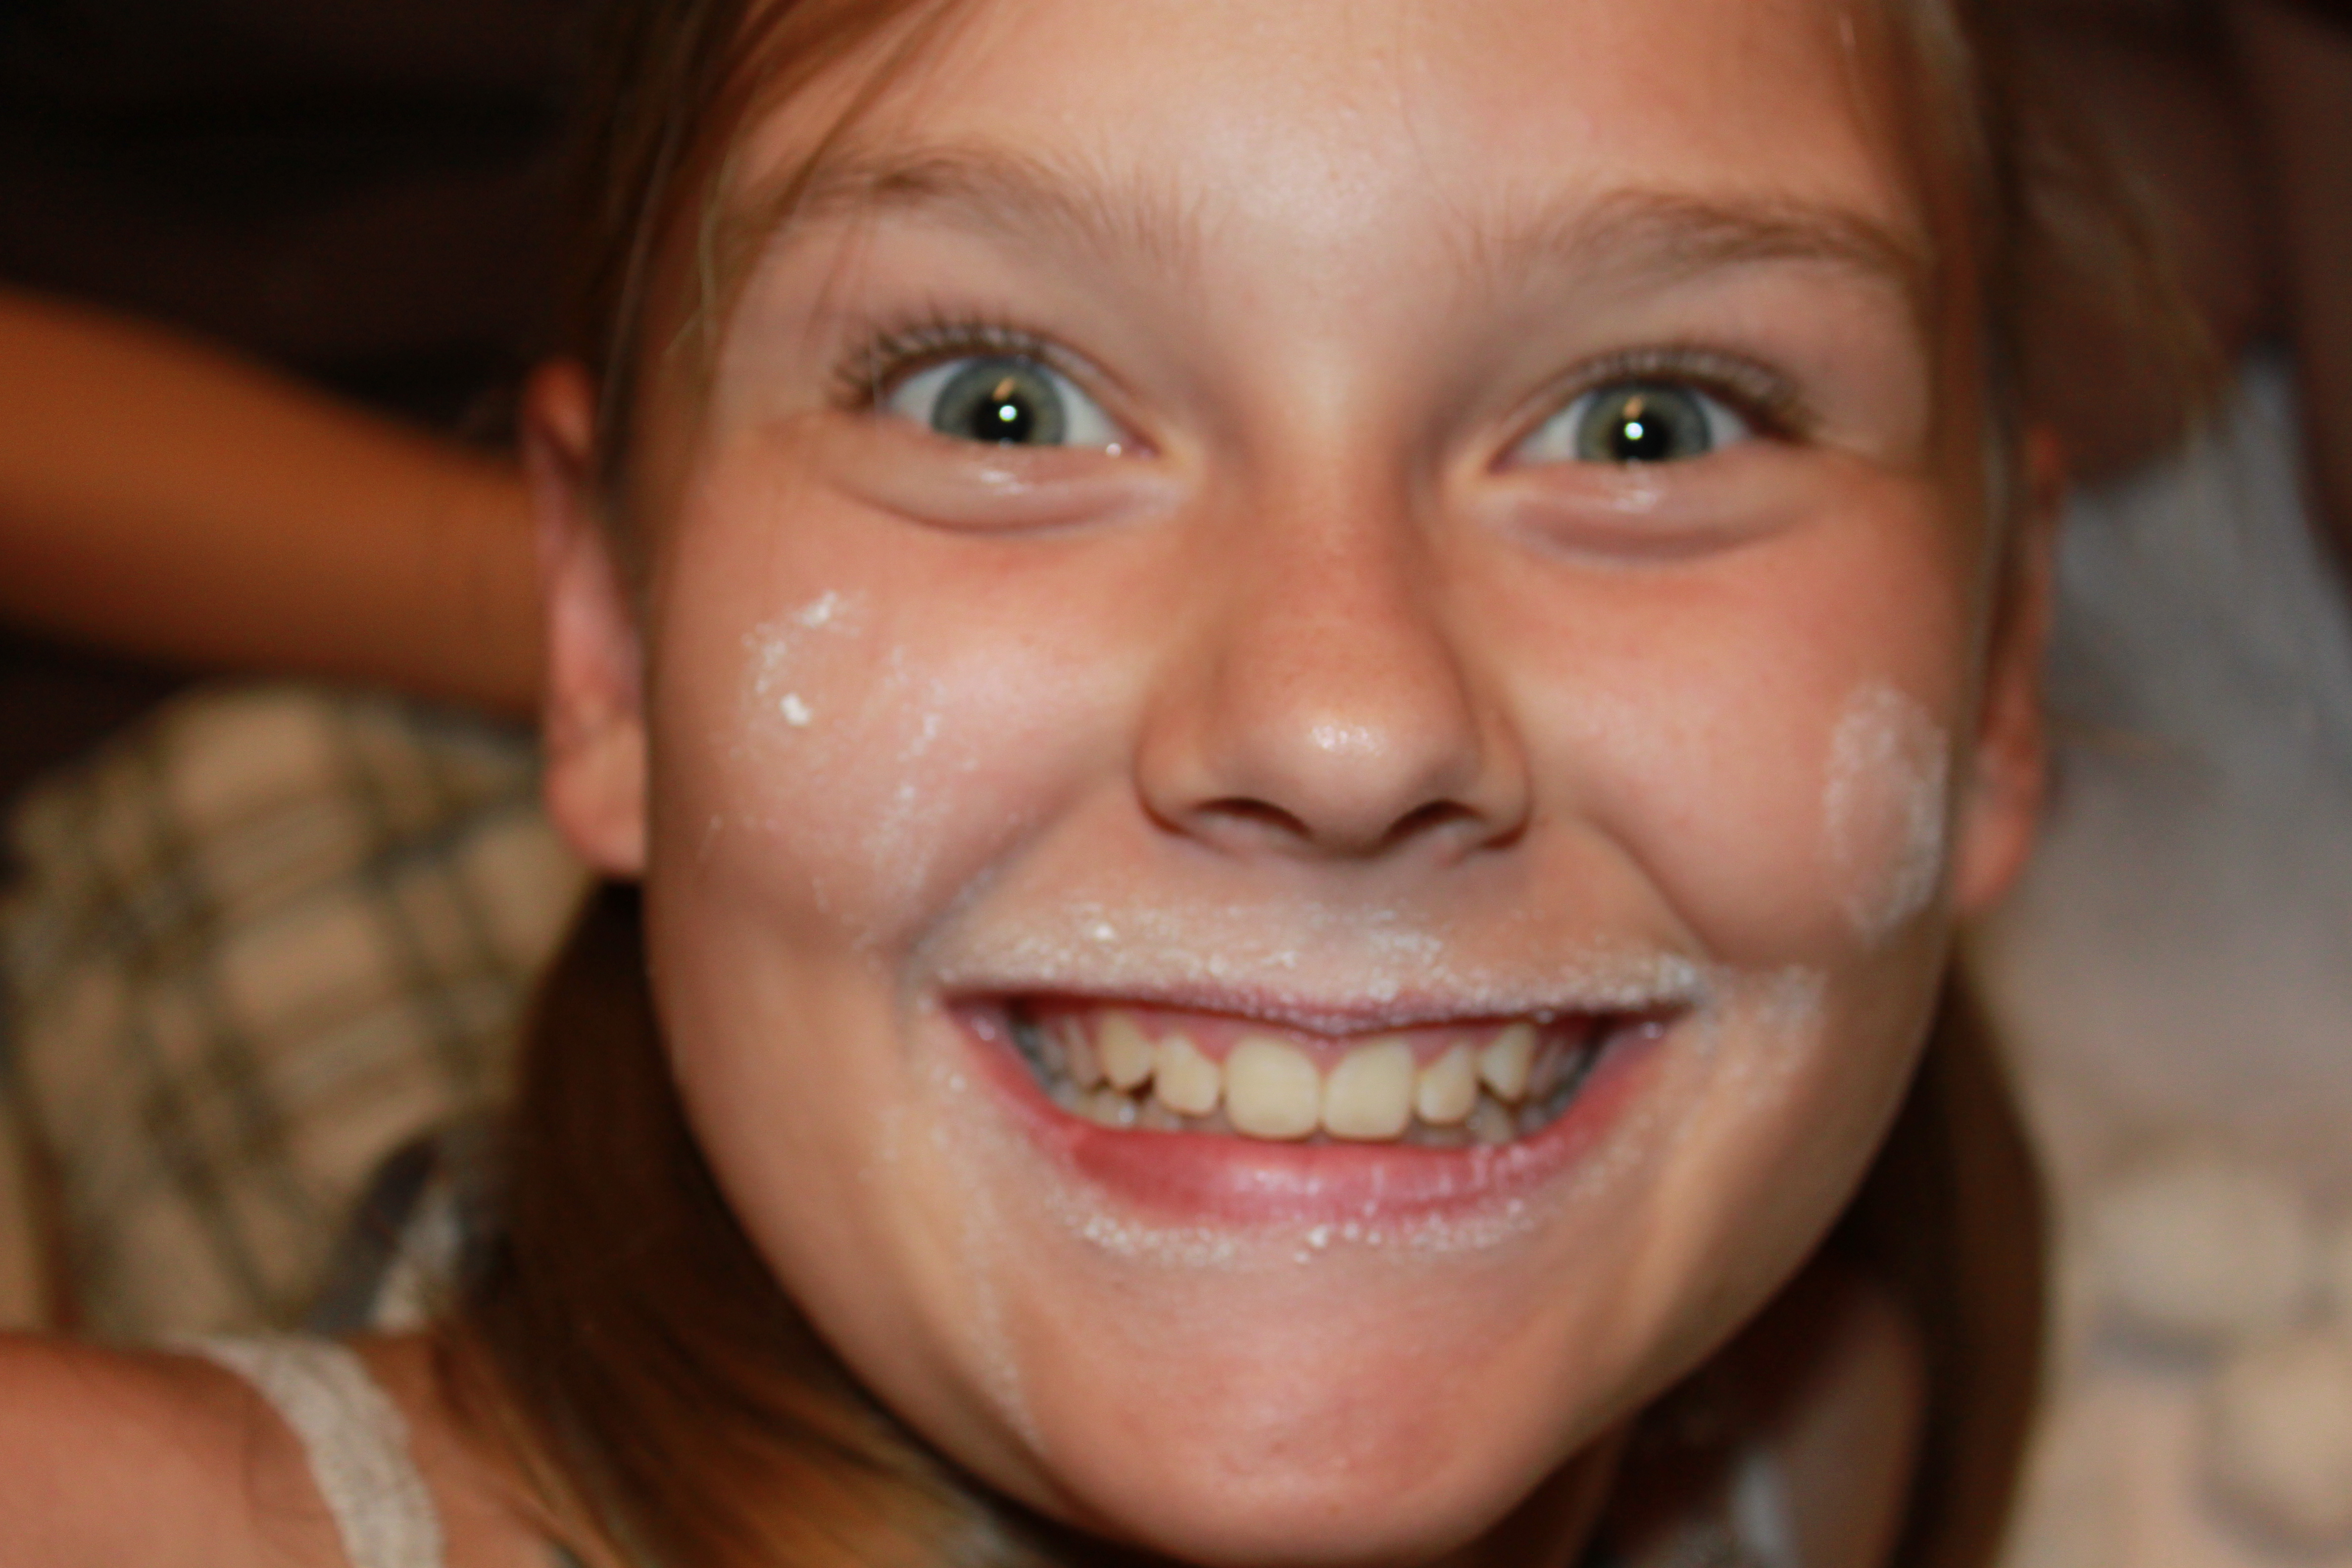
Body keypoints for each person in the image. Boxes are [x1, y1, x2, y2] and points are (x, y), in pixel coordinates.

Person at [0, 0, 2144, 1561]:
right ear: (610, 639)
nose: (1343, 727)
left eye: (1649, 424)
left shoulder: (1813, 1443)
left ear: (1997, 670)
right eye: (1000, 405)